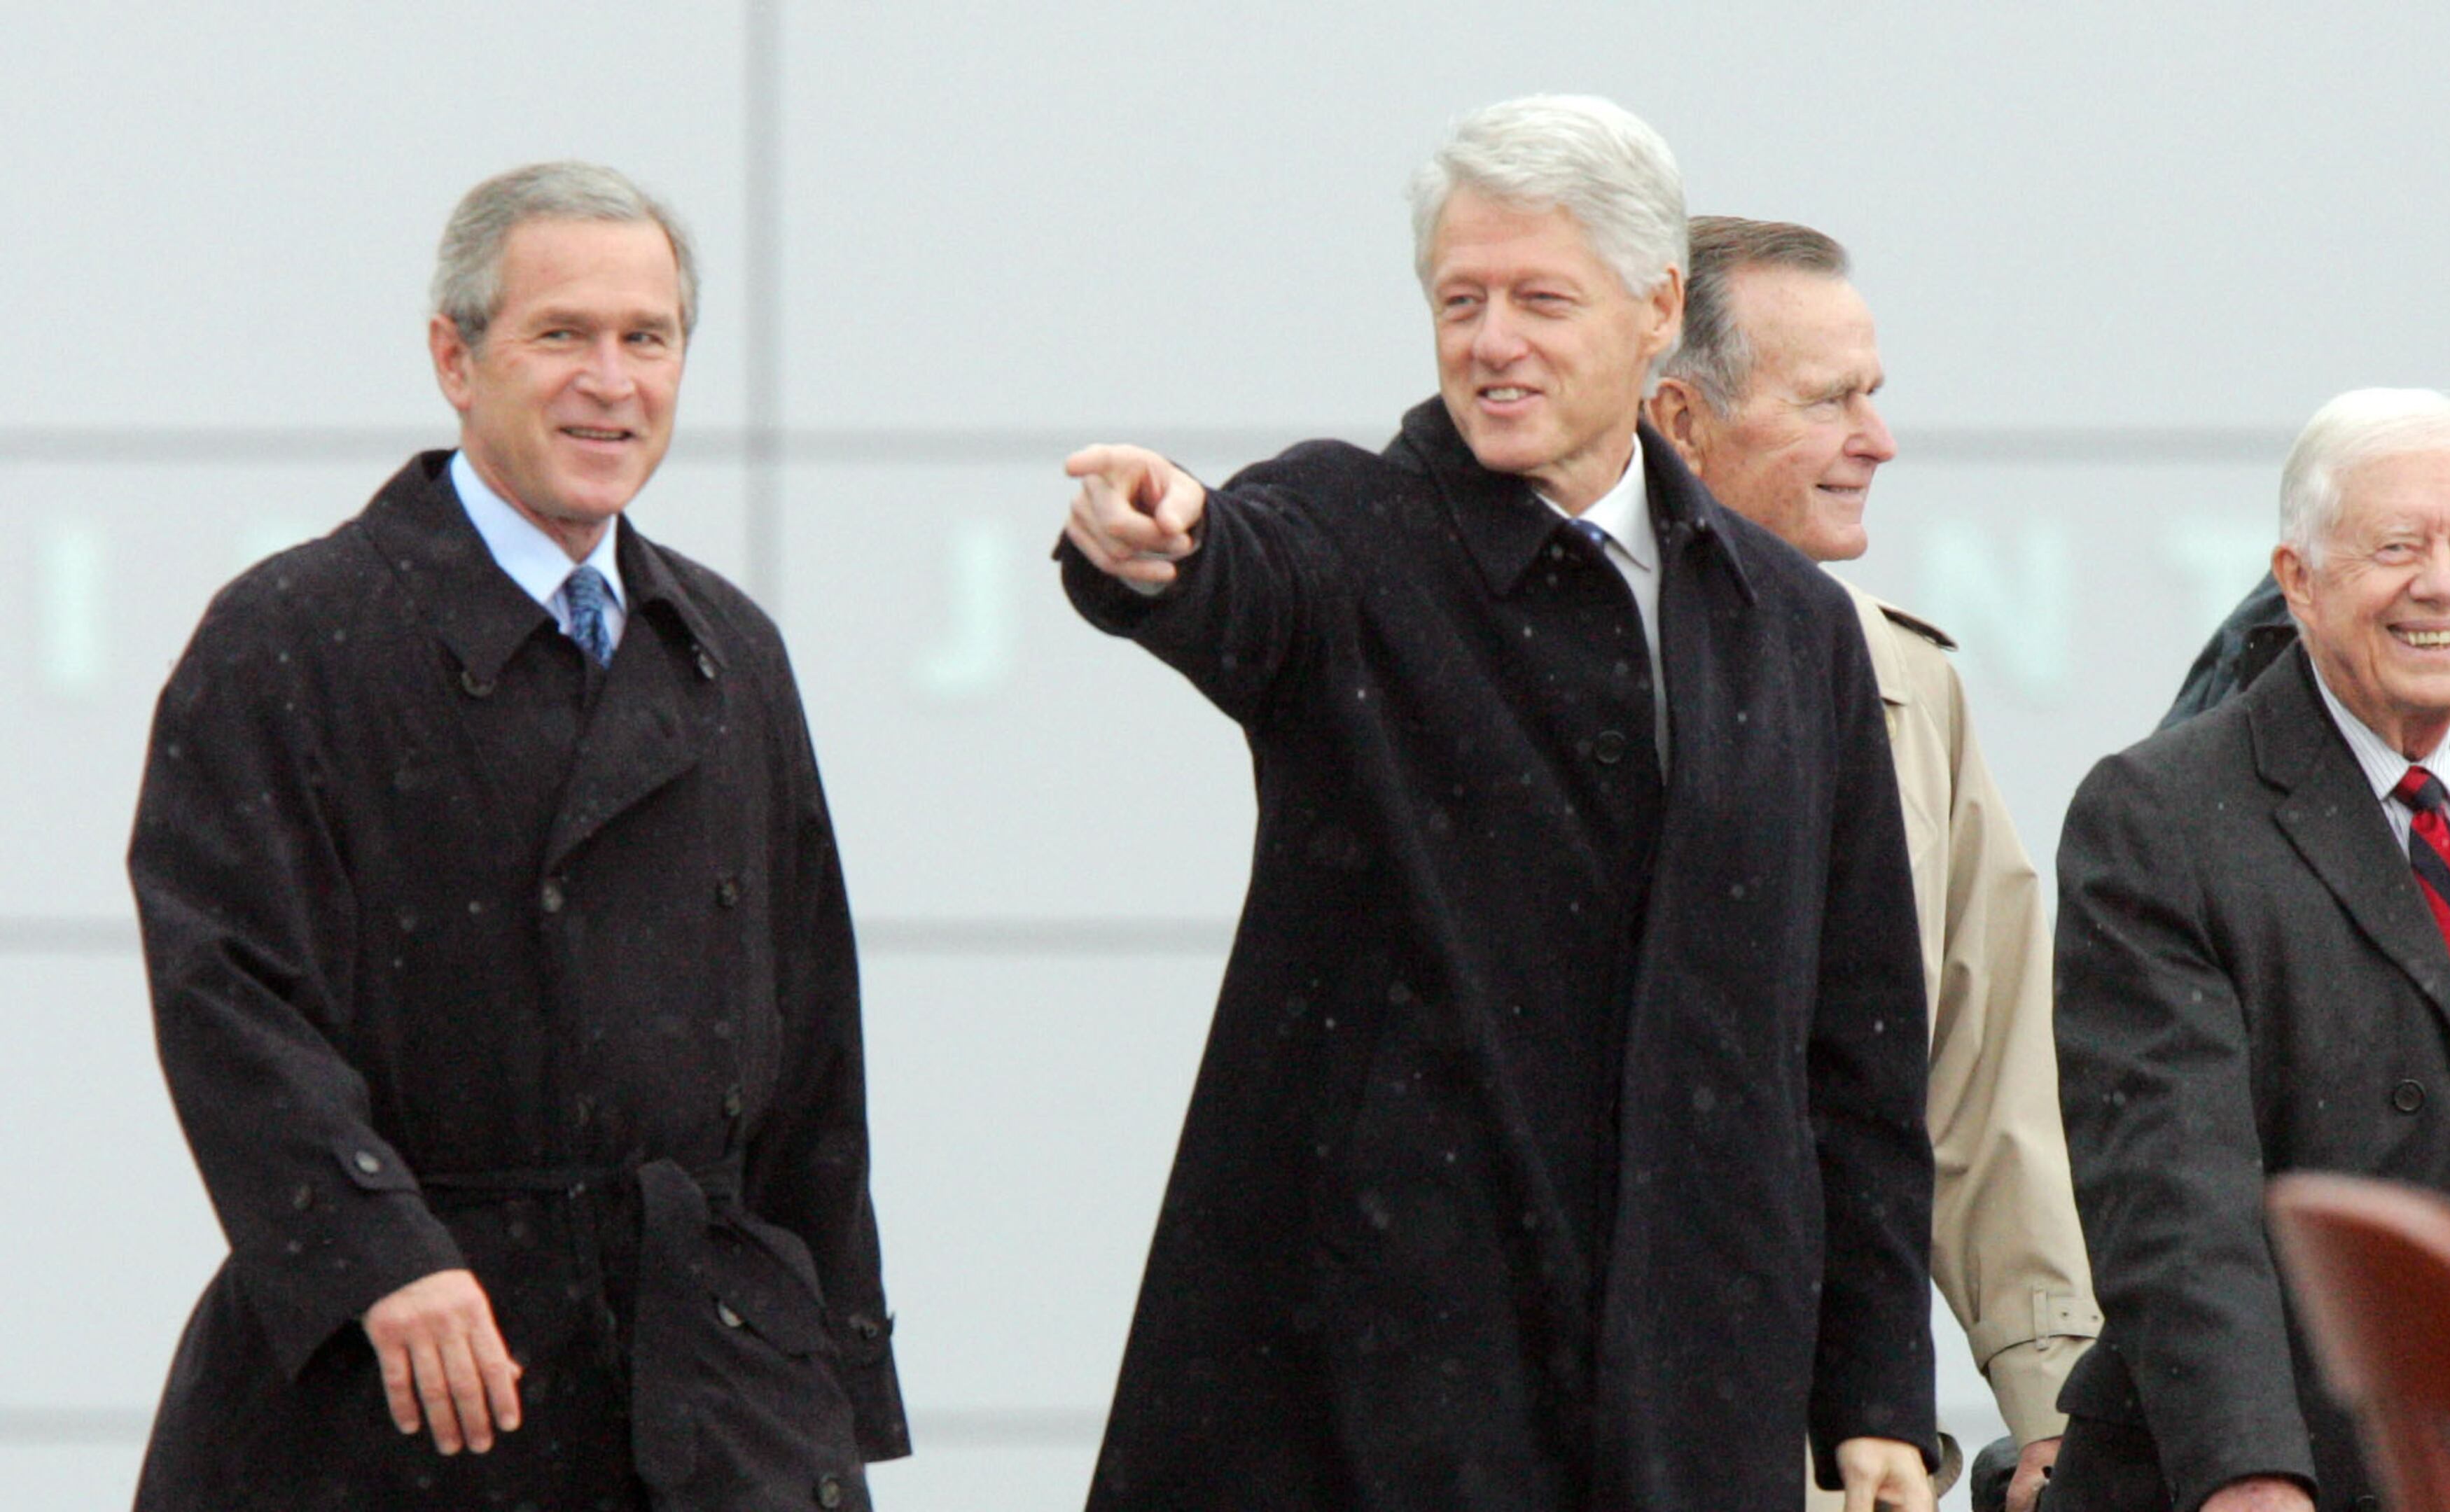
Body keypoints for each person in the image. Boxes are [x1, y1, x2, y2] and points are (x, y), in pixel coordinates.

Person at [1058, 96, 1937, 1511]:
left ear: (1656, 311)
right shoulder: (1349, 532)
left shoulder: (1790, 625)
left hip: (1698, 1385)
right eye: (1460, 300)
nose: (1491, 341)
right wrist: (1157, 546)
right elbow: (1239, 572)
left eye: (1541, 299)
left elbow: (1858, 1046)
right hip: (1389, 1380)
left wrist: (1877, 1385)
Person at [127, 162, 906, 1510]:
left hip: (707, 1397)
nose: (612, 382)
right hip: (411, 1391)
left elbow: (811, 1055)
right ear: (455, 356)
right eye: (563, 336)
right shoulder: (291, 637)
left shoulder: (730, 650)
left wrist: (824, 1373)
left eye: (647, 339)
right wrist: (380, 1254)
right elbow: (227, 992)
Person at [2046, 388, 2450, 1512]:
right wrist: (2248, 1470)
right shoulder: (2157, 814)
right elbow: (2176, 1199)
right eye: (2397, 548)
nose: (2444, 585)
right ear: (2298, 579)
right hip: (2275, 1460)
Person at [1647, 216, 2101, 1512]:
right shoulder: (1542, 669)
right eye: (1831, 400)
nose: (1878, 441)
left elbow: (1985, 1078)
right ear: (1680, 419)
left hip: (1840, 1448)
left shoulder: (1909, 683)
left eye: (1875, 396)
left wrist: (2056, 1397)